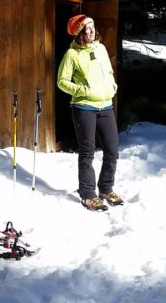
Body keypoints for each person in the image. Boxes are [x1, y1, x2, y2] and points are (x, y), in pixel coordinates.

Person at [56, 14, 122, 212]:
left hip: (106, 106)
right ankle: (88, 194)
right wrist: (82, 91)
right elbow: (62, 81)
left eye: (92, 27)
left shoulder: (100, 48)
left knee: (112, 150)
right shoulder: (72, 55)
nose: (91, 31)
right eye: (86, 29)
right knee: (88, 152)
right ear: (79, 33)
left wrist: (112, 87)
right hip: (84, 108)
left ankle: (106, 189)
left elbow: (109, 73)